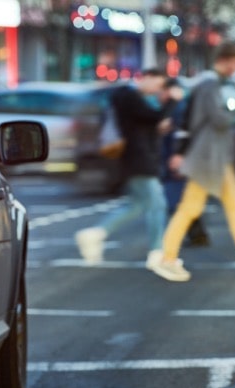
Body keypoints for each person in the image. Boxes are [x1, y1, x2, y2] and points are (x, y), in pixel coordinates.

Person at [149, 43, 235, 282]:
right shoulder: (210, 84)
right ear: (224, 60)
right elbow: (219, 119)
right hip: (208, 158)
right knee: (191, 209)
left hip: (215, 158)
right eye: (234, 63)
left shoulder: (209, 84)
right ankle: (167, 259)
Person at [75, 68, 181, 270]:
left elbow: (147, 122)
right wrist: (172, 101)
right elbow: (153, 117)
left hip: (138, 159)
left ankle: (95, 234)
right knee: (157, 205)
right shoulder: (128, 96)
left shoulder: (132, 98)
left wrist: (156, 126)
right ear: (147, 78)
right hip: (138, 160)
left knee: (137, 205)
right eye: (158, 85)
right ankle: (157, 252)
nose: (157, 90)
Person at [160, 77, 210, 247]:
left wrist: (177, 156)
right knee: (184, 201)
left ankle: (192, 236)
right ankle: (197, 235)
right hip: (182, 160)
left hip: (179, 161)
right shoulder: (178, 107)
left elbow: (181, 135)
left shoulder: (179, 108)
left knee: (176, 201)